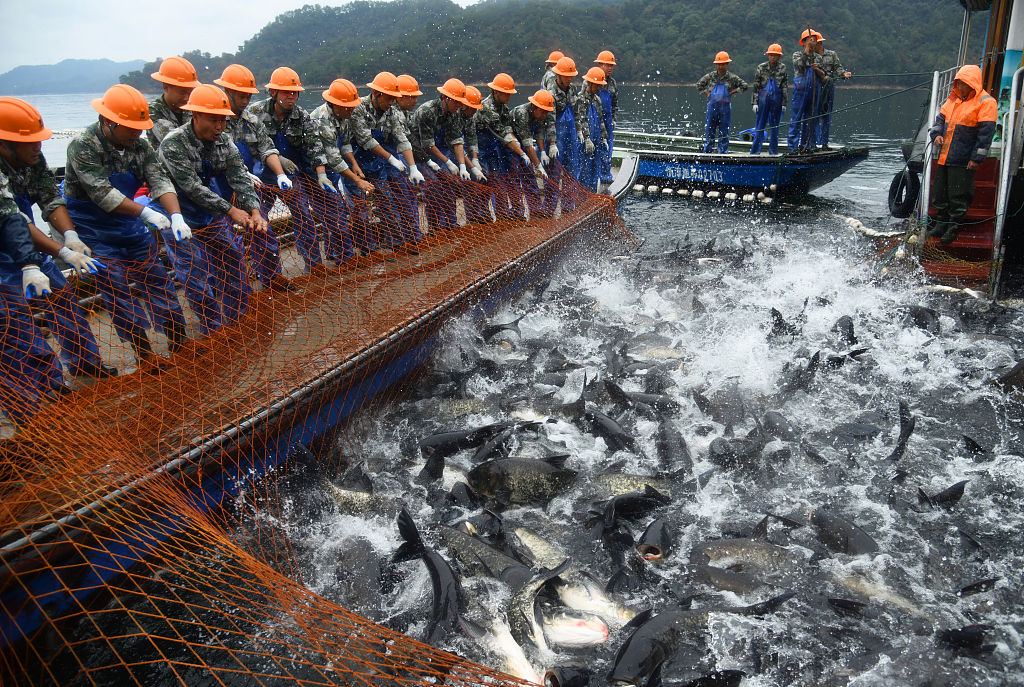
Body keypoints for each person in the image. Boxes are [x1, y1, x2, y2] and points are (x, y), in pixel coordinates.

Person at [63, 84, 189, 369]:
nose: (137, 133)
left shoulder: (141, 146)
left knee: (157, 278)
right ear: (109, 121)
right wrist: (145, 213)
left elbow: (159, 181)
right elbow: (102, 194)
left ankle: (179, 344)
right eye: (130, 127)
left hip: (129, 222)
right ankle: (144, 355)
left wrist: (175, 215)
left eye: (140, 127)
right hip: (92, 227)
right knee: (116, 287)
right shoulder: (83, 145)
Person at [0, 97, 116, 382]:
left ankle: (86, 364)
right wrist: (63, 253)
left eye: (40, 141)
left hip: (30, 247)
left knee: (64, 299)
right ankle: (48, 384)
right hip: (5, 252)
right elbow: (15, 221)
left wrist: (71, 236)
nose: (38, 147)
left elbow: (50, 199)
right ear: (4, 144)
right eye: (30, 142)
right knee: (16, 323)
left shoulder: (33, 158)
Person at [153, 85, 268, 335]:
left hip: (208, 212)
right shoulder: (174, 144)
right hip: (178, 215)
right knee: (195, 273)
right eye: (213, 120)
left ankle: (238, 320)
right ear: (195, 116)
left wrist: (254, 209)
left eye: (223, 120)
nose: (219, 127)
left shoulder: (224, 141)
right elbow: (191, 187)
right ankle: (212, 330)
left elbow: (239, 176)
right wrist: (231, 211)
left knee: (233, 258)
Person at [247, 66, 337, 273]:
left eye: (294, 92)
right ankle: (266, 271)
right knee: (258, 221)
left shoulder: (302, 116)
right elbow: (249, 146)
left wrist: (321, 174)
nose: (291, 96)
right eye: (286, 92)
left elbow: (314, 145)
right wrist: (276, 157)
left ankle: (314, 264)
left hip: (289, 177)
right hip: (260, 177)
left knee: (304, 215)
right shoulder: (254, 114)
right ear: (273, 92)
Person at [213, 64, 295, 292]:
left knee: (262, 228)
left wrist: (280, 174)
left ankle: (271, 276)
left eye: (249, 95)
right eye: (241, 95)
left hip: (244, 186)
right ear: (227, 92)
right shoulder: (214, 119)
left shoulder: (251, 120)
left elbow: (266, 149)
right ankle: (233, 291)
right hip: (216, 187)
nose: (246, 100)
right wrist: (240, 172)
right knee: (224, 242)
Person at [349, 71, 425, 253]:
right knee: (358, 209)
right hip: (355, 163)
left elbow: (402, 138)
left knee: (387, 204)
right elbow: (366, 140)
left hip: (377, 165)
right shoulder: (358, 109)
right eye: (389, 98)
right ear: (376, 94)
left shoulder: (391, 112)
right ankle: (367, 250)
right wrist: (390, 158)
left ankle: (396, 243)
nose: (391, 103)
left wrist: (412, 167)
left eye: (394, 99)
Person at [928, 64, 997, 245]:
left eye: (963, 83)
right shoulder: (952, 100)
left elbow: (986, 134)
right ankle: (940, 223)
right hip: (945, 156)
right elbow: (939, 121)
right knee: (939, 193)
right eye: (958, 83)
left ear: (972, 84)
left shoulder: (986, 102)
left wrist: (976, 158)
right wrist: (936, 135)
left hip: (964, 158)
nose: (959, 86)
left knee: (958, 195)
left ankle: (953, 226)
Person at [311, 78, 377, 256]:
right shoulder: (323, 122)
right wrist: (357, 181)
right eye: (348, 106)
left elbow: (346, 145)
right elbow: (333, 158)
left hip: (333, 168)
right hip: (315, 169)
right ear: (335, 104)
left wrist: (354, 165)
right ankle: (343, 256)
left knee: (335, 209)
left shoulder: (345, 116)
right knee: (334, 210)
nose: (352, 109)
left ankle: (340, 251)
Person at [408, 78, 472, 234]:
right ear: (445, 98)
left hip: (442, 150)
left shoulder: (454, 113)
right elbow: (427, 144)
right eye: (456, 101)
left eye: (460, 102)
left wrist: (462, 165)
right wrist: (448, 162)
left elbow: (457, 141)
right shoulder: (426, 111)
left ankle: (450, 224)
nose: (459, 105)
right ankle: (436, 228)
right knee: (434, 188)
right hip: (420, 153)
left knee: (450, 185)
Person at [474, 72, 533, 221]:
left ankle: (502, 214)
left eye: (509, 94)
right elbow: (502, 134)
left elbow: (507, 129)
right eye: (505, 94)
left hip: (492, 147)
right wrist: (522, 153)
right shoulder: (486, 108)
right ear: (496, 92)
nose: (508, 97)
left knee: (497, 179)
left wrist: (516, 142)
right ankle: (478, 213)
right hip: (478, 147)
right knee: (483, 180)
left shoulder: (504, 108)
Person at [546, 56, 587, 211]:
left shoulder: (572, 90)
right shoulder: (551, 93)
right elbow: (549, 121)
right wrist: (552, 143)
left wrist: (579, 130)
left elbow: (576, 112)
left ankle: (568, 205)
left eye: (571, 76)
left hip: (571, 136)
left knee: (572, 170)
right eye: (567, 76)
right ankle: (550, 206)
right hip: (557, 136)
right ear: (558, 75)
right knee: (554, 172)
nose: (570, 79)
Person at [509, 89, 556, 218]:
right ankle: (516, 211)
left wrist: (542, 152)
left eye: (547, 112)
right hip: (508, 143)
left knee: (529, 174)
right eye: (543, 112)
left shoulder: (541, 114)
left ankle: (535, 208)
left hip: (524, 143)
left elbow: (539, 133)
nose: (545, 115)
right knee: (512, 177)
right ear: (534, 106)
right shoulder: (521, 113)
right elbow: (528, 144)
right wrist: (539, 166)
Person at [696, 51, 748, 154]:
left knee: (724, 132)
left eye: (723, 64)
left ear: (727, 64)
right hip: (712, 108)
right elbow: (699, 85)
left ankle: (723, 153)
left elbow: (744, 85)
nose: (721, 66)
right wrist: (706, 93)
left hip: (725, 109)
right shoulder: (710, 76)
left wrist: (733, 92)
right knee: (710, 130)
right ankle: (707, 153)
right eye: (719, 64)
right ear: (716, 65)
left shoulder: (732, 78)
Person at [147, 56, 201, 147]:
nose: (186, 98)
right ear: (166, 87)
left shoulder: (192, 107)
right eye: (182, 93)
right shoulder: (153, 112)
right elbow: (175, 140)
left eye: (190, 92)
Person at [813, 32, 851, 150]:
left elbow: (838, 67)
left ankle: (824, 143)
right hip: (815, 87)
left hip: (829, 87)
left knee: (826, 115)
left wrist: (844, 74)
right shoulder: (811, 56)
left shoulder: (832, 54)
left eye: (816, 42)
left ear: (819, 43)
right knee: (814, 115)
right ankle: (813, 143)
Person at [750, 44, 788, 155]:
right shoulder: (761, 67)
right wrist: (755, 102)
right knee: (760, 126)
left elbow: (784, 86)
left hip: (777, 99)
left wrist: (784, 103)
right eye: (771, 55)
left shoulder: (783, 68)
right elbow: (756, 85)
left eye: (775, 55)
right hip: (762, 98)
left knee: (775, 126)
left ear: (779, 56)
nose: (773, 57)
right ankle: (755, 151)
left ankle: (773, 152)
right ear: (768, 55)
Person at [788, 29, 820, 152]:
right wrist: (807, 49)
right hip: (800, 92)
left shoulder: (818, 57)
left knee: (810, 120)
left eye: (815, 40)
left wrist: (818, 70)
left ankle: (806, 147)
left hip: (814, 93)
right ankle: (792, 148)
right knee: (796, 119)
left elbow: (822, 74)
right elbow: (799, 65)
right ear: (804, 41)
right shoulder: (797, 55)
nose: (813, 42)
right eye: (810, 40)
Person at [578, 67, 608, 192]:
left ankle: (592, 195)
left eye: (600, 86)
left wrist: (603, 138)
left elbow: (601, 121)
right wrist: (587, 138)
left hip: (596, 140)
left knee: (595, 169)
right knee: (584, 170)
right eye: (597, 85)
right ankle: (581, 198)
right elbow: (582, 119)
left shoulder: (597, 100)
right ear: (589, 83)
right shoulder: (580, 99)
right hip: (586, 142)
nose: (598, 88)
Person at [594, 50, 618, 193]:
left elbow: (615, 104)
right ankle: (594, 177)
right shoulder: (592, 79)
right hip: (595, 120)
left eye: (612, 66)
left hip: (608, 121)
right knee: (595, 149)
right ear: (600, 64)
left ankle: (605, 176)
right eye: (608, 65)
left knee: (607, 149)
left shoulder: (613, 83)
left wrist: (614, 119)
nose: (610, 68)